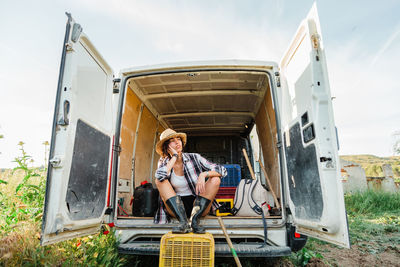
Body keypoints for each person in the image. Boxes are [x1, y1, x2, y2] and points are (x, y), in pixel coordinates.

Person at [154, 128, 227, 233]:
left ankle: (195, 221)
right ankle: (183, 223)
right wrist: (174, 156)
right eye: (171, 140)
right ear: (167, 147)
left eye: (178, 139)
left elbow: (222, 170)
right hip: (175, 208)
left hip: (197, 204)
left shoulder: (194, 157)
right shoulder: (164, 162)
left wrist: (204, 174)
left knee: (215, 179)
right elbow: (159, 176)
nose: (176, 142)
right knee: (159, 180)